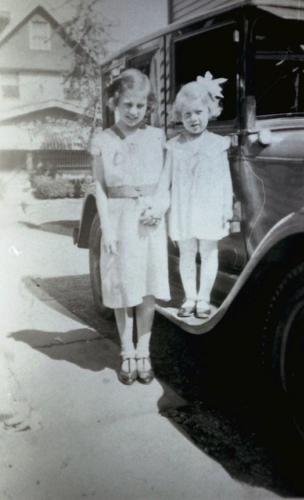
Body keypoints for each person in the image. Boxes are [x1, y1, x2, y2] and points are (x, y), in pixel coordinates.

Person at [90, 69, 170, 385]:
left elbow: (165, 181)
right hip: (120, 218)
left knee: (146, 286)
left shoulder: (156, 137)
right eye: (127, 105)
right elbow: (99, 185)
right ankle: (126, 350)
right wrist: (107, 229)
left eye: (139, 105)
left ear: (147, 105)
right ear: (114, 103)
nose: (133, 112)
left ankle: (144, 350)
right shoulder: (104, 140)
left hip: (148, 218)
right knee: (123, 286)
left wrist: (159, 208)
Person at [154, 71, 233, 319]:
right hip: (183, 208)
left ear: (210, 111)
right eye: (187, 114)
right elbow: (165, 180)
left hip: (209, 207)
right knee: (187, 253)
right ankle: (189, 297)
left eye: (199, 112)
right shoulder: (174, 146)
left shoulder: (217, 144)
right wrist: (159, 207)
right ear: (180, 117)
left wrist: (226, 209)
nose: (193, 119)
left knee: (209, 252)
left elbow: (225, 179)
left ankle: (204, 299)